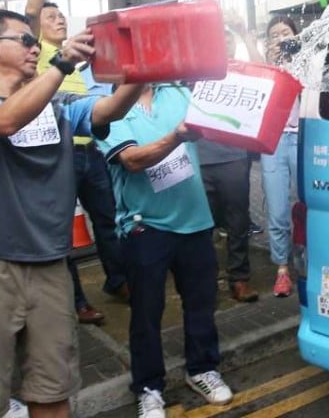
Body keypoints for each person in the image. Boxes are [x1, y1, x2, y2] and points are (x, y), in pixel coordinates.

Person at [0, 8, 143, 418]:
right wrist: (61, 62)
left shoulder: (60, 104)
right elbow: (4, 120)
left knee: (52, 391)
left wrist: (143, 66)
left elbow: (110, 110)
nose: (35, 49)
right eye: (26, 40)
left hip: (50, 265)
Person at [97, 83, 233, 417]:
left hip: (196, 220)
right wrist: (177, 136)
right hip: (146, 226)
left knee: (201, 304)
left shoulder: (179, 94)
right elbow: (130, 160)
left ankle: (202, 369)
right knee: (146, 313)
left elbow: (221, 120)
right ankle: (148, 387)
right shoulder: (108, 107)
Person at [25, 0, 128, 325]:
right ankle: (76, 300)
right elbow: (33, 8)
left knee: (107, 218)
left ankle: (118, 281)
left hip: (91, 150)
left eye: (61, 18)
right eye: (51, 19)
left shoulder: (77, 59)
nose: (58, 21)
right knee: (62, 229)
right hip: (57, 152)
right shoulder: (37, 54)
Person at [197, 22, 265, 304]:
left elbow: (265, 74)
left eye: (228, 40)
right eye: (217, 39)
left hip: (234, 158)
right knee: (202, 225)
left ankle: (239, 279)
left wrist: (245, 34)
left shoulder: (242, 72)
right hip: (198, 158)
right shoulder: (193, 72)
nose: (223, 45)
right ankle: (205, 281)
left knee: (238, 221)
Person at [261, 16, 300, 297]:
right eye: (274, 35)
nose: (280, 38)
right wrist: (270, 64)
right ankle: (282, 270)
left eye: (285, 33)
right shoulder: (263, 69)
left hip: (303, 139)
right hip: (273, 142)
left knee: (306, 205)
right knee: (277, 209)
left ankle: (309, 262)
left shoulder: (306, 64)